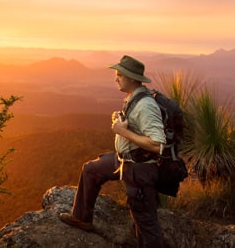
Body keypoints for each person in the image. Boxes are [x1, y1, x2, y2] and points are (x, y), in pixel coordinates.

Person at [58, 55, 166, 247]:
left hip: (139, 169)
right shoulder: (134, 98)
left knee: (144, 221)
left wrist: (123, 131)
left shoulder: (146, 105)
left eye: (119, 75)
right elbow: (135, 127)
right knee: (91, 170)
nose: (115, 78)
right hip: (124, 160)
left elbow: (157, 145)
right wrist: (121, 122)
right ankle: (82, 218)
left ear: (132, 78)